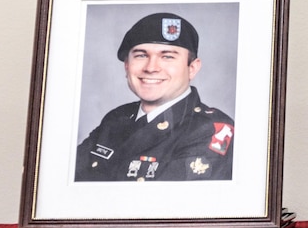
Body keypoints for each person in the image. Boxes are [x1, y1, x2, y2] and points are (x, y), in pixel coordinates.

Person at [75, 12, 234, 181]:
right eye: (141, 55)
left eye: (167, 57)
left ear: (192, 68)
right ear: (127, 66)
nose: (151, 68)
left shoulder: (209, 130)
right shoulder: (116, 118)